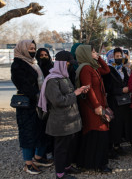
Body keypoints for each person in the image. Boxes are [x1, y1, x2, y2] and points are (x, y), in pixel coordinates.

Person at [38, 51, 87, 179]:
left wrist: (80, 91)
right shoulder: (52, 80)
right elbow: (58, 101)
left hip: (70, 120)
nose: (69, 65)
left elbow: (70, 93)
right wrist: (75, 94)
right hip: (61, 122)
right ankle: (60, 174)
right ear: (61, 63)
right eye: (68, 63)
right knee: (61, 148)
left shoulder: (63, 77)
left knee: (69, 146)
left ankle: (67, 167)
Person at [11, 40, 52, 175]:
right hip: (28, 105)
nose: (33, 51)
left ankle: (38, 158)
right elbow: (23, 85)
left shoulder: (33, 63)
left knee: (41, 130)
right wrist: (37, 95)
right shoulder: (17, 65)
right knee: (28, 133)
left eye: (34, 48)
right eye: (30, 48)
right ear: (22, 49)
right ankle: (28, 164)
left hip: (39, 102)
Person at [75, 45, 112, 173]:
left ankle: (95, 162)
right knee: (97, 132)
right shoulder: (86, 68)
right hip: (92, 107)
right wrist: (96, 106)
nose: (96, 53)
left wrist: (99, 58)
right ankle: (98, 163)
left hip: (98, 104)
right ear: (85, 54)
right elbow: (88, 88)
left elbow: (106, 70)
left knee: (99, 132)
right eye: (93, 52)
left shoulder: (92, 67)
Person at [103, 48, 131, 157]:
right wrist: (120, 90)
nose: (119, 58)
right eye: (116, 56)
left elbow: (127, 81)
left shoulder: (123, 69)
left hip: (124, 101)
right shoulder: (108, 70)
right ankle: (112, 147)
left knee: (121, 123)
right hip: (113, 101)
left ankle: (118, 145)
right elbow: (107, 88)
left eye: (120, 56)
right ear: (111, 57)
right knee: (114, 123)